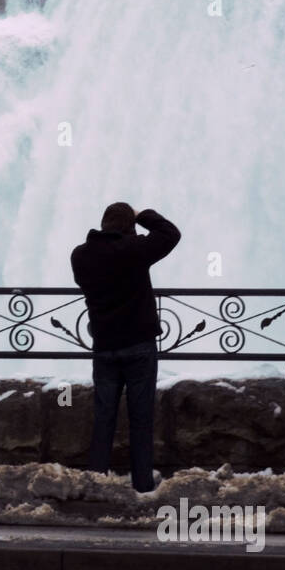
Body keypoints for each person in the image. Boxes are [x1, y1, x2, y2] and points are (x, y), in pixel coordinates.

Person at [71, 202, 180, 491]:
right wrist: (144, 215)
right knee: (141, 419)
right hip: (139, 347)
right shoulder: (134, 250)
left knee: (103, 418)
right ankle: (142, 484)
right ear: (129, 226)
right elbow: (170, 234)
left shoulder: (81, 256)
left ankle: (95, 480)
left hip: (104, 347)